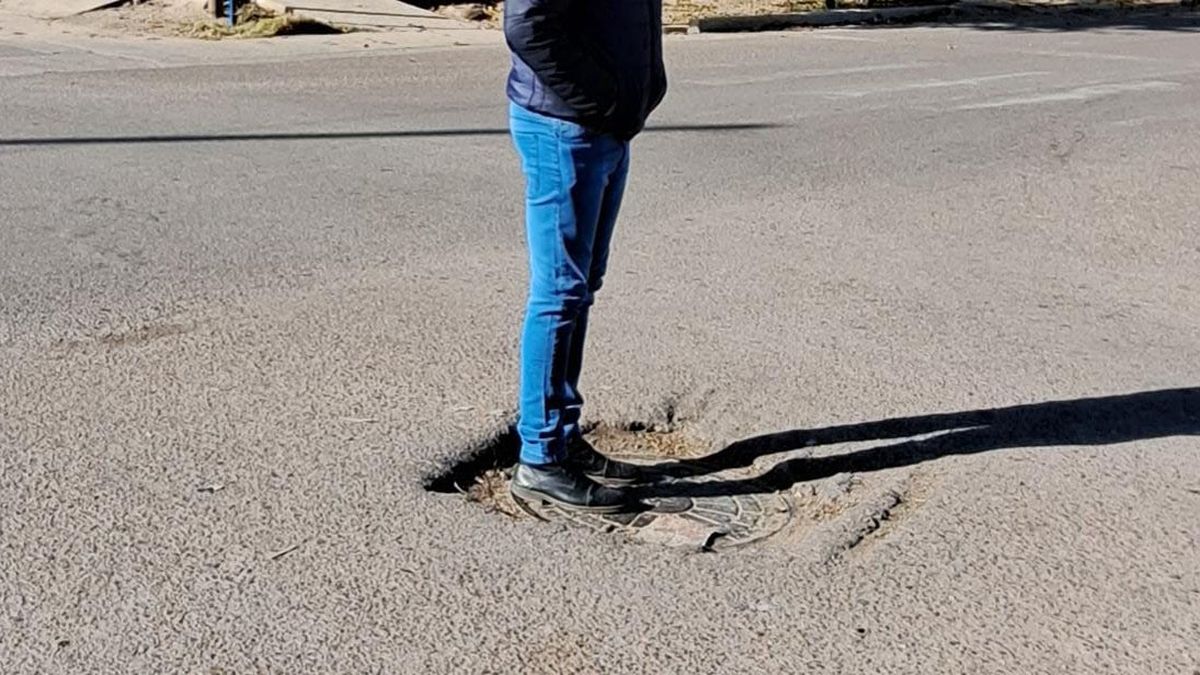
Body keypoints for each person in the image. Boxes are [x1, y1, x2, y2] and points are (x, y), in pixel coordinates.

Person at [503, 0, 668, 513]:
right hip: (564, 125)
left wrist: (646, 88)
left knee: (579, 289)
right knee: (559, 293)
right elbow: (528, 25)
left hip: (605, 125)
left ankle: (561, 436)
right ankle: (541, 459)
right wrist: (604, 100)